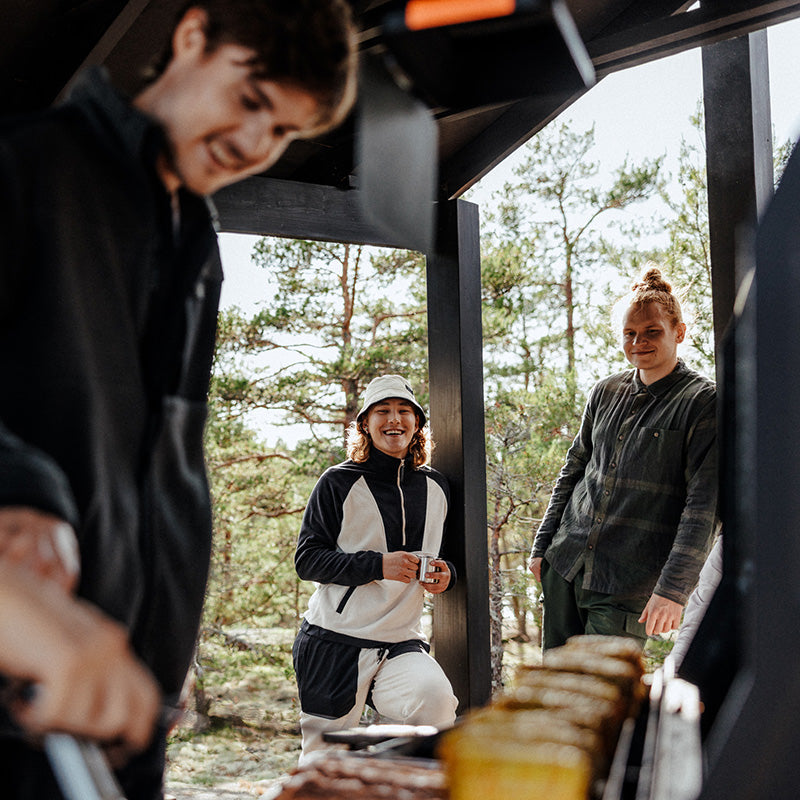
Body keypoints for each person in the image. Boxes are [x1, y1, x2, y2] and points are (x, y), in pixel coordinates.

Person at [0, 2, 357, 797]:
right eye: (253, 99)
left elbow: (160, 478)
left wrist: (162, 657)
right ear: (192, 37)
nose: (255, 144)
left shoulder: (195, 241)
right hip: (22, 695)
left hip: (123, 705)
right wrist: (17, 488)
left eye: (284, 132)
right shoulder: (28, 167)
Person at [528, 267, 719, 650]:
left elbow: (704, 506)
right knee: (557, 693)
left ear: (678, 332)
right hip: (566, 565)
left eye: (652, 332)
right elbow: (574, 470)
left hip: (629, 584)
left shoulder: (703, 402)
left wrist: (674, 589)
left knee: (603, 700)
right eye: (630, 334)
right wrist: (542, 546)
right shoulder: (605, 391)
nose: (639, 342)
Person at [293, 374, 459, 764]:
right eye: (382, 411)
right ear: (365, 424)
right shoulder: (337, 482)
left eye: (404, 411)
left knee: (435, 703)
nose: (394, 420)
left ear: (417, 423)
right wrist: (377, 565)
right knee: (322, 760)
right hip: (334, 641)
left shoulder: (437, 486)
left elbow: (447, 554)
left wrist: (448, 573)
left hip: (400, 641)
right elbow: (307, 559)